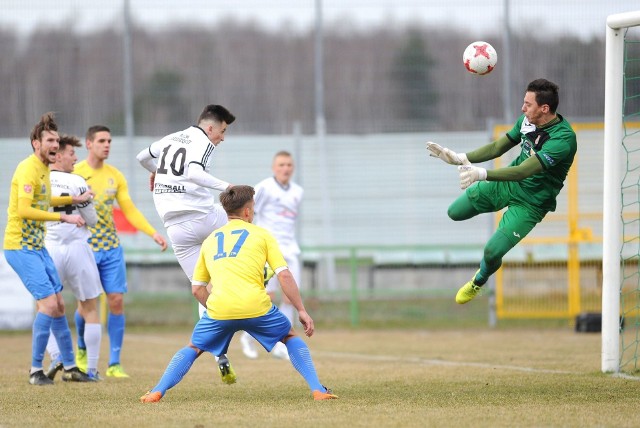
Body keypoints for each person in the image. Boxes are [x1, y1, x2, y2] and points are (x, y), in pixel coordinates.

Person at [139, 185, 338, 403]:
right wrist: (301, 310)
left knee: (194, 348)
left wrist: (216, 307)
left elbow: (197, 289)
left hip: (220, 309)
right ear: (247, 211)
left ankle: (157, 391)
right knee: (289, 336)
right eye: (252, 208)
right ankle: (318, 389)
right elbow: (285, 276)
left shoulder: (211, 240)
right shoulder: (262, 235)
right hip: (256, 307)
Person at [426, 78, 577, 304]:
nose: (522, 108)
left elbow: (524, 171)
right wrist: (460, 158)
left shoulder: (563, 139)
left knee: (492, 252)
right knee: (455, 212)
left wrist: (482, 174)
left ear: (544, 108)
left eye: (528, 104)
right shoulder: (526, 121)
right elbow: (498, 147)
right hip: (506, 185)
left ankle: (479, 280)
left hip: (531, 203)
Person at [136, 104, 238, 384]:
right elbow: (193, 173)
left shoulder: (169, 139)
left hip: (176, 229)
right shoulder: (203, 142)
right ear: (210, 128)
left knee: (200, 287)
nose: (222, 138)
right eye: (222, 131)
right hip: (204, 217)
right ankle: (259, 276)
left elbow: (142, 157)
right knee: (244, 221)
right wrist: (228, 187)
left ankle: (219, 353)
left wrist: (156, 172)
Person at [3, 112, 93, 385]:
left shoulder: (43, 169)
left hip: (36, 246)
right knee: (49, 304)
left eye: (56, 140)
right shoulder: (28, 168)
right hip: (20, 247)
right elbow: (24, 208)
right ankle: (34, 370)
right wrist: (63, 216)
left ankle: (70, 367)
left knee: (58, 306)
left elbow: (43, 199)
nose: (55, 145)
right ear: (36, 143)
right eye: (50, 140)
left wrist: (74, 198)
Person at [74, 125, 168, 378]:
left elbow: (129, 210)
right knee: (87, 304)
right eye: (102, 140)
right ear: (88, 144)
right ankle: (82, 350)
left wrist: (153, 233)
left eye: (109, 140)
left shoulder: (115, 176)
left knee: (116, 301)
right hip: (84, 249)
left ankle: (114, 363)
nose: (107, 145)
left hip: (112, 249)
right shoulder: (75, 173)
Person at [44, 134, 104, 381]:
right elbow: (92, 220)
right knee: (90, 307)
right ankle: (90, 369)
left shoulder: (42, 180)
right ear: (58, 155)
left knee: (45, 307)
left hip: (50, 247)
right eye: (71, 154)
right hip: (78, 247)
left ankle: (58, 356)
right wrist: (87, 200)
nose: (75, 158)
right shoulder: (77, 182)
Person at [240, 150, 303, 360]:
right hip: (267, 249)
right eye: (281, 165)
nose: (285, 168)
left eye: (289, 165)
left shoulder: (297, 192)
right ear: (274, 168)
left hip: (290, 250)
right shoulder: (265, 187)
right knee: (265, 297)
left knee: (290, 297)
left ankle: (281, 343)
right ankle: (248, 338)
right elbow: (249, 209)